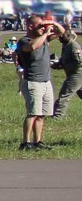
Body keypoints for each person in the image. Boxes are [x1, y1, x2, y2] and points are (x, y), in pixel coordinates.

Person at [17, 16, 57, 150]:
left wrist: (52, 23)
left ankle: (37, 141)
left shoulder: (44, 39)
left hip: (46, 81)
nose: (42, 27)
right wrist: (45, 33)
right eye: (39, 25)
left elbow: (62, 32)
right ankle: (25, 142)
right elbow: (33, 46)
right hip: (33, 81)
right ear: (30, 26)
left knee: (41, 115)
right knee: (32, 113)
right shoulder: (24, 41)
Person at [52, 20, 81, 120]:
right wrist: (57, 64)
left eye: (62, 35)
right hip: (73, 74)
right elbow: (64, 59)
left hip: (76, 75)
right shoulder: (66, 45)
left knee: (64, 95)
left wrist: (64, 65)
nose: (59, 37)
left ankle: (57, 117)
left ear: (68, 35)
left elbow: (78, 63)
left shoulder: (74, 46)